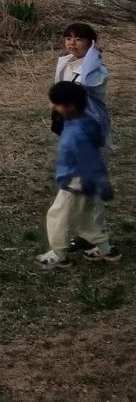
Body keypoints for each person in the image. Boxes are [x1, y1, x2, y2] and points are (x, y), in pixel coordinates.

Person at [42, 79, 120, 267]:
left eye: (55, 103)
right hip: (85, 181)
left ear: (70, 106)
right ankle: (106, 249)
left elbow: (90, 160)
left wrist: (101, 183)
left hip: (76, 181)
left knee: (57, 215)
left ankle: (59, 254)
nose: (51, 105)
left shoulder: (78, 132)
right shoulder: (84, 121)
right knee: (84, 219)